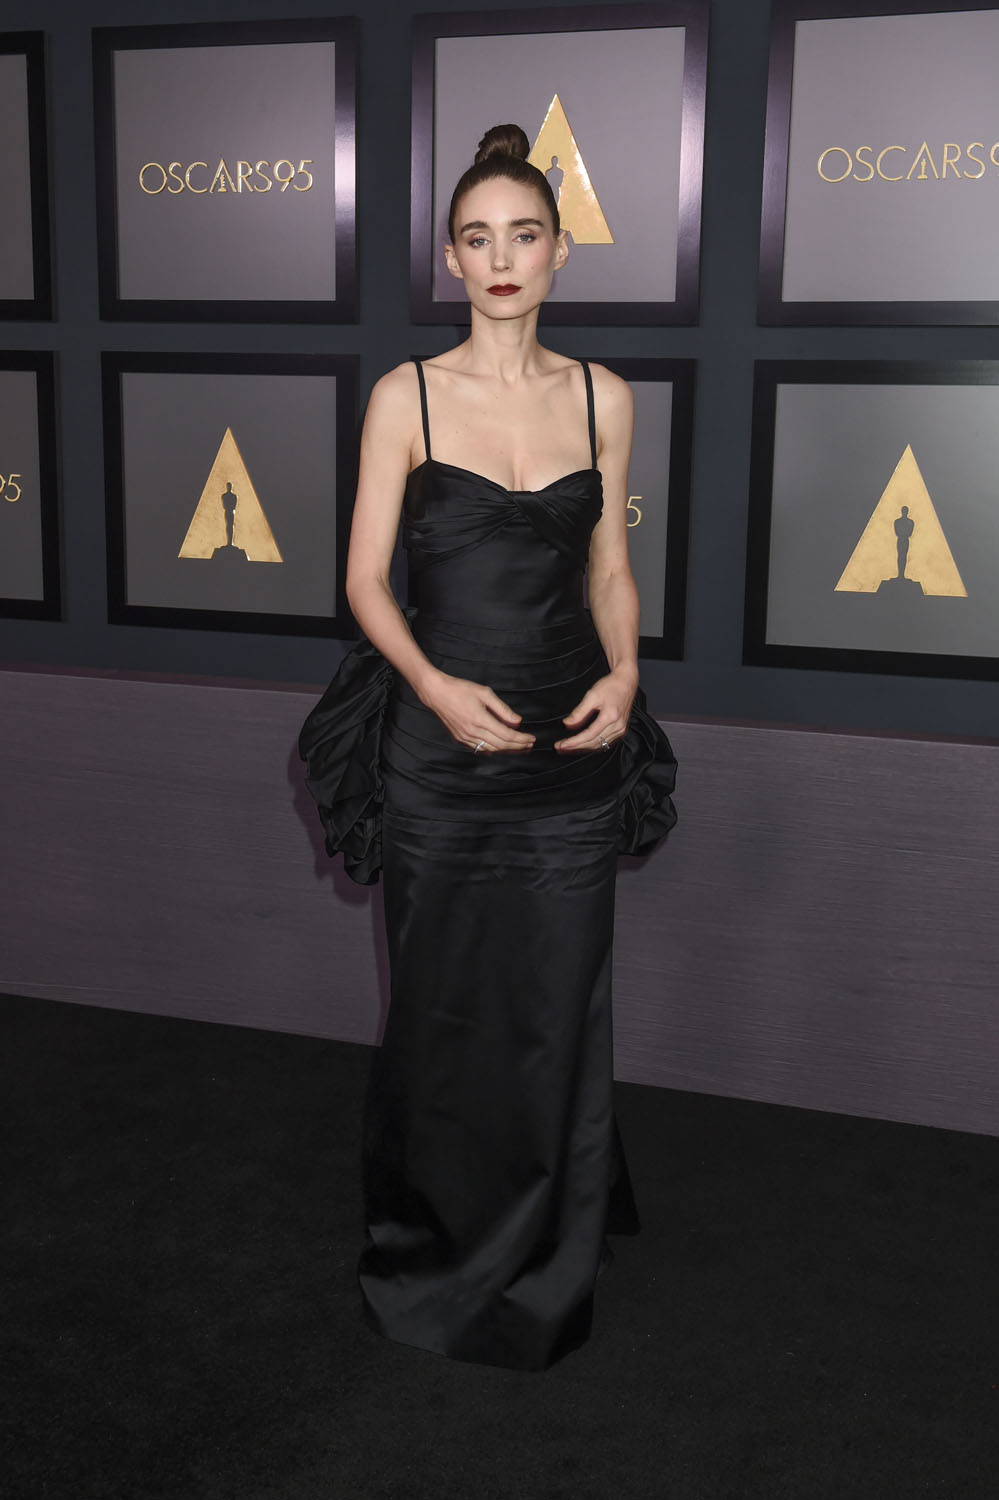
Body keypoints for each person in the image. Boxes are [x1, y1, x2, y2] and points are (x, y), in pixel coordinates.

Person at [299, 123, 677, 1371]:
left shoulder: (603, 397)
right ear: (450, 259)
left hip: (572, 748)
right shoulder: (404, 397)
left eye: (525, 235)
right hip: (438, 755)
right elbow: (365, 581)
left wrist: (627, 673)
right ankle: (436, 1244)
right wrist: (431, 685)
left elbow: (610, 569)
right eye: (478, 238)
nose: (502, 259)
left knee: (558, 1004)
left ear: (562, 251)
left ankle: (553, 1245)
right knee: (442, 1004)